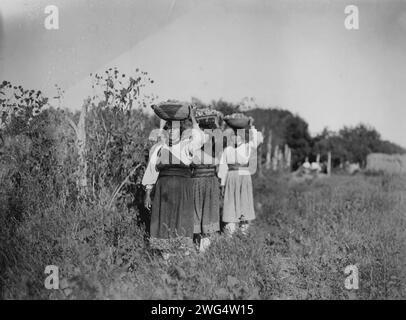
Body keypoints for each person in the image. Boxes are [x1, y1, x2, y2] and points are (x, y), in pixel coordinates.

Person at [142, 107, 206, 254]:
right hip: (163, 192)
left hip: (183, 190)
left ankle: (182, 259)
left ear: (181, 131)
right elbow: (152, 170)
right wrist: (147, 193)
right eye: (169, 129)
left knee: (181, 221)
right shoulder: (159, 148)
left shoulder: (186, 146)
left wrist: (193, 119)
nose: (171, 132)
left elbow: (199, 139)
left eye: (175, 129)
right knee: (164, 221)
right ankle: (165, 258)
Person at [218, 120, 263, 236]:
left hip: (244, 176)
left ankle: (244, 234)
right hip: (231, 177)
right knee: (230, 205)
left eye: (239, 135)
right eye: (234, 136)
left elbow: (257, 140)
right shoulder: (227, 150)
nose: (236, 138)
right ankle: (230, 234)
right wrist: (222, 184)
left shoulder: (248, 147)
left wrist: (252, 126)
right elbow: (223, 167)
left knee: (244, 204)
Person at [191, 114, 222, 252]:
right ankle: (199, 247)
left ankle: (202, 248)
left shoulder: (214, 144)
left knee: (203, 212)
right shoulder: (196, 145)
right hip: (200, 180)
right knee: (200, 212)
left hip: (206, 180)